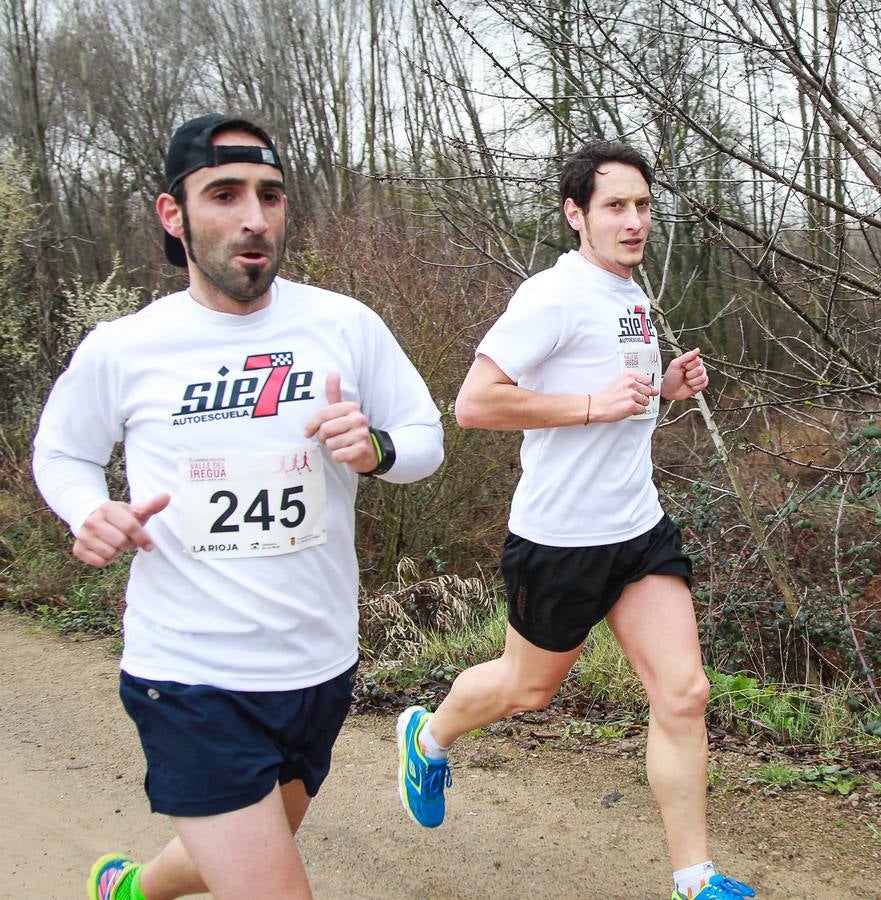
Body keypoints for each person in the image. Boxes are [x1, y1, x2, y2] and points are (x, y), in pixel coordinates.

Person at [33, 113, 444, 900]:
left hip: (317, 667)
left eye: (271, 194)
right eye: (224, 194)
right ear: (172, 213)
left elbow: (424, 437)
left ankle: (126, 891)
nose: (255, 218)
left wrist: (376, 450)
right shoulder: (127, 346)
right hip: (189, 677)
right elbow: (62, 450)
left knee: (255, 839)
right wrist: (90, 508)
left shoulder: (343, 325)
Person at [395, 141, 756, 900]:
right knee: (528, 691)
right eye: (615, 207)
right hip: (560, 541)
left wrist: (664, 390)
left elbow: (618, 403)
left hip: (638, 531)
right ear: (576, 214)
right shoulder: (551, 297)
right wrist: (592, 406)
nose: (633, 222)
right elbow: (474, 403)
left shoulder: (629, 296)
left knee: (685, 692)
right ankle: (427, 737)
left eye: (643, 206)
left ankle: (695, 879)